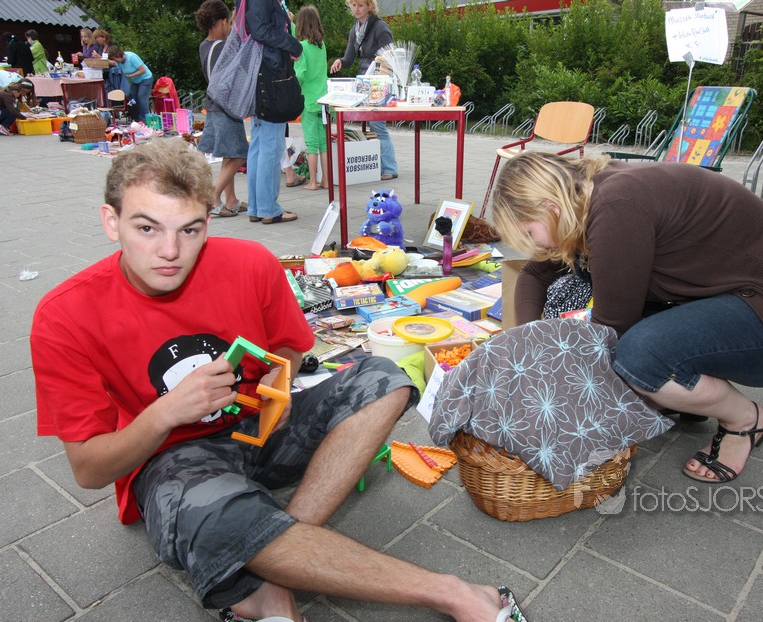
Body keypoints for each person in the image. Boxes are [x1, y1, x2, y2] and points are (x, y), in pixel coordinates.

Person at [30, 139, 524, 622]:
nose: (170, 251)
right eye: (147, 228)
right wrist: (167, 412)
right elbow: (89, 470)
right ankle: (449, 592)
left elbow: (289, 348)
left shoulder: (250, 262)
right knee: (212, 515)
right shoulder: (65, 316)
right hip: (170, 458)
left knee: (385, 377)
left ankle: (272, 564)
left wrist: (279, 382)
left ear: (208, 221)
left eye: (190, 229)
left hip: (261, 429)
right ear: (111, 221)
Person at [491, 152, 763, 484]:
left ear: (550, 206)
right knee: (633, 350)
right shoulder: (591, 193)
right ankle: (684, 395)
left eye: (529, 233)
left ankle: (744, 420)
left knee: (638, 357)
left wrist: (557, 400)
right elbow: (535, 273)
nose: (537, 246)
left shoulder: (616, 210)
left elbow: (609, 334)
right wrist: (528, 341)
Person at [244, 0, 302, 224]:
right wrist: (292, 45)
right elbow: (260, 30)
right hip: (271, 76)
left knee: (260, 145)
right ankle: (268, 208)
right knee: (271, 145)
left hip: (262, 75)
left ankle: (257, 207)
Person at [330, 0, 397, 181]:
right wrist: (340, 61)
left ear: (369, 6)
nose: (356, 9)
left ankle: (389, 167)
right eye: (353, 5)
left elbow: (391, 55)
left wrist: (379, 69)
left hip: (379, 81)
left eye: (360, 5)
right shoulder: (355, 29)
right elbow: (349, 58)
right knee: (372, 123)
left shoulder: (380, 27)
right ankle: (377, 165)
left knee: (377, 124)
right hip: (364, 80)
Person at [196, 0, 248, 218]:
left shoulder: (204, 45)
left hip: (214, 105)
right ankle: (213, 197)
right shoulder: (222, 48)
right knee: (239, 154)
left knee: (229, 152)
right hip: (226, 107)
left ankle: (231, 199)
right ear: (224, 21)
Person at [294, 5, 330, 191]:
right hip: (323, 100)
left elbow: (300, 74)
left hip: (308, 101)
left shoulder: (301, 47)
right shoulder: (322, 46)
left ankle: (313, 181)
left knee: (311, 144)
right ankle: (326, 180)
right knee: (324, 143)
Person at [105, 44, 153, 122]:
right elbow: (113, 64)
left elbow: (143, 70)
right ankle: (136, 118)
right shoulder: (119, 62)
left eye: (114, 59)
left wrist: (130, 76)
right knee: (132, 99)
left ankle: (146, 119)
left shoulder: (131, 57)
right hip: (135, 80)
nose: (115, 61)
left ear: (118, 55)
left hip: (145, 78)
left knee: (141, 97)